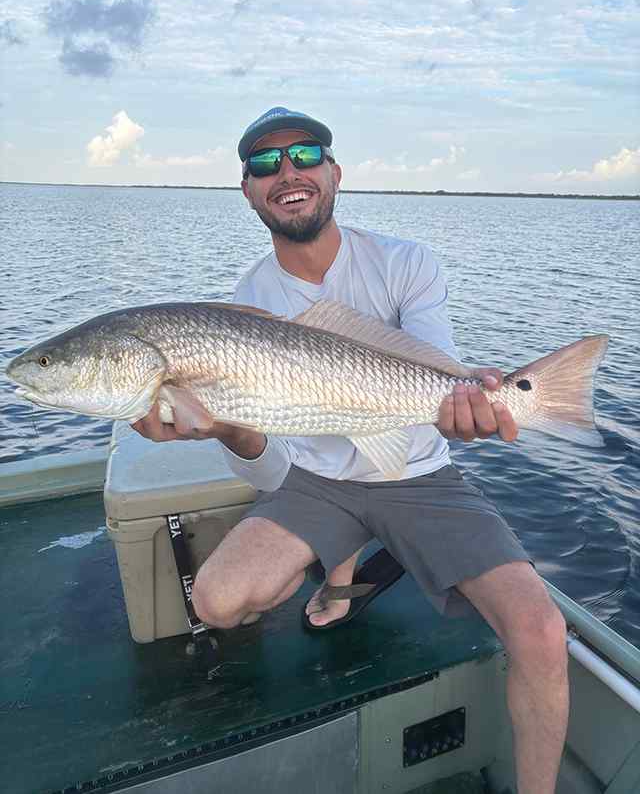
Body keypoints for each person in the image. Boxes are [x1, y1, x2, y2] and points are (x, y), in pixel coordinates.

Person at [133, 107, 569, 794]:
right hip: (318, 479)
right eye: (265, 165)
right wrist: (225, 427)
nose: (288, 172)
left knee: (543, 631)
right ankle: (343, 576)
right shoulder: (249, 296)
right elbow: (274, 465)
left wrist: (472, 408)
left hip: (420, 474)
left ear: (335, 173)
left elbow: (439, 381)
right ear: (247, 190)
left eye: (304, 155)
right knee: (216, 600)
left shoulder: (406, 262)